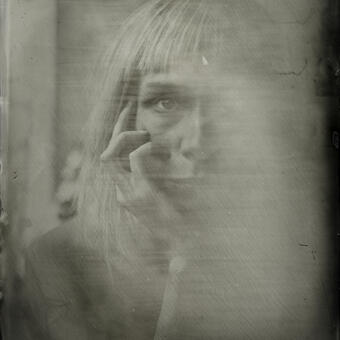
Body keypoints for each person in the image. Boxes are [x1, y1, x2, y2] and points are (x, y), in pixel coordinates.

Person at [17, 0, 335, 339]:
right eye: (166, 102)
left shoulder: (304, 253)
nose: (196, 141)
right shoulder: (62, 260)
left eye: (227, 103)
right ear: (121, 120)